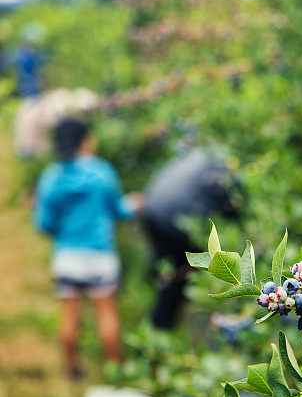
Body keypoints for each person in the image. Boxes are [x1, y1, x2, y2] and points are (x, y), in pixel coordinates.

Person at [33, 117, 143, 377]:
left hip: (67, 256)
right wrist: (135, 204)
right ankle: (116, 371)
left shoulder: (51, 177)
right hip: (100, 256)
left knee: (70, 317)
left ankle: (72, 369)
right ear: (85, 140)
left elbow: (43, 223)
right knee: (106, 315)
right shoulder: (102, 172)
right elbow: (118, 210)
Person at [143, 143, 239, 329]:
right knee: (182, 274)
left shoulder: (204, 151)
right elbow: (234, 207)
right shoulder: (229, 168)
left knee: (168, 274)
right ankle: (164, 331)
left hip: (153, 205)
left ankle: (159, 331)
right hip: (175, 217)